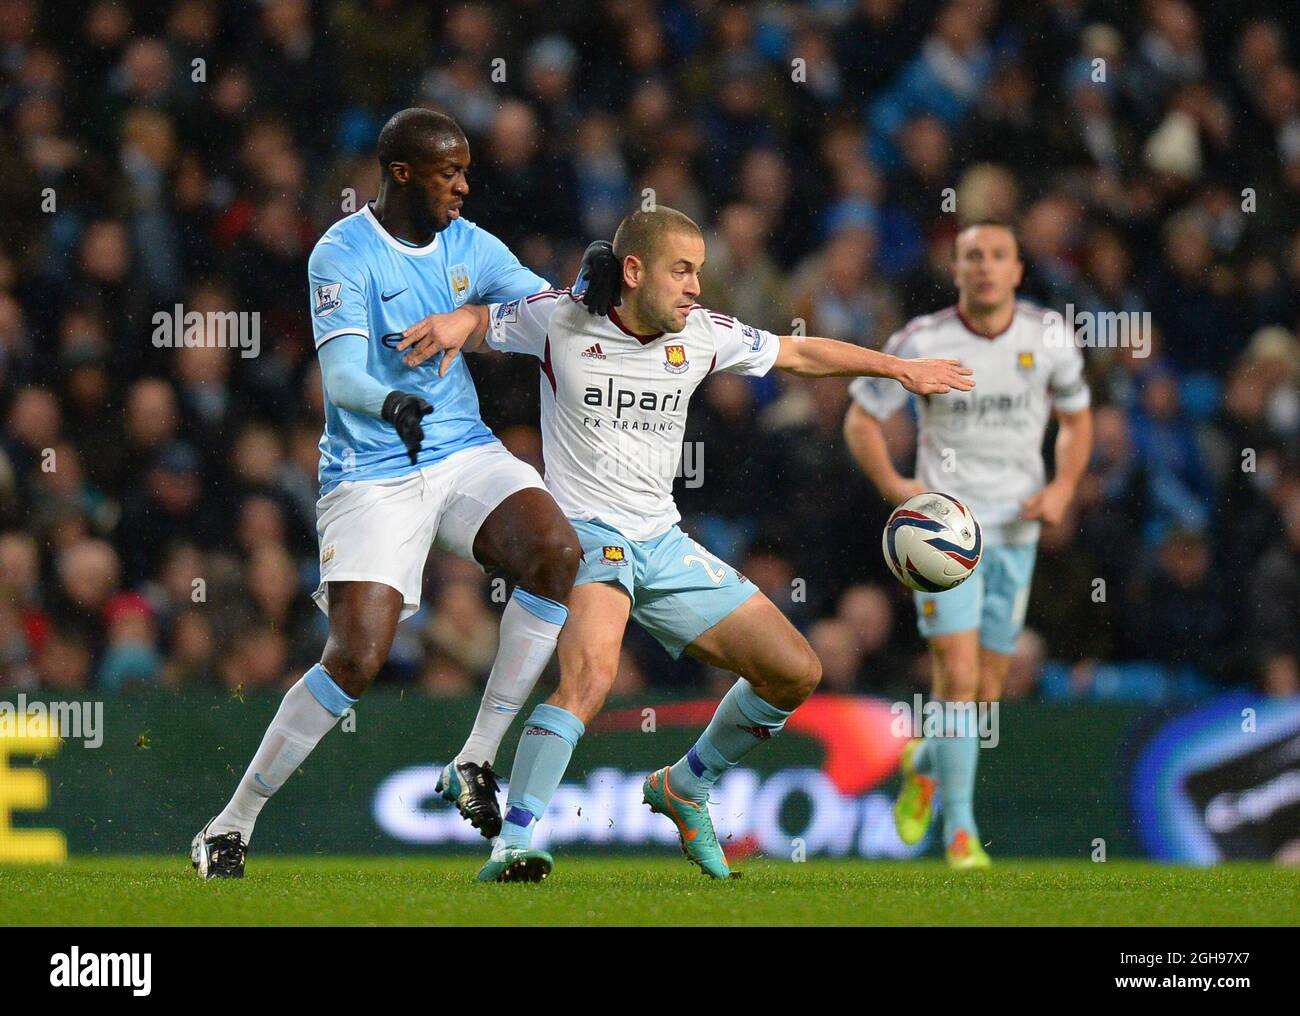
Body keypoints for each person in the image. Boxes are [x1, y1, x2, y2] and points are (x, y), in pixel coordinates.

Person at [424, 205, 973, 881]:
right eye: (682, 271)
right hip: (588, 534)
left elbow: (797, 351)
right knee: (590, 678)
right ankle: (514, 841)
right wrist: (461, 320)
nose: (696, 287)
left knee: (795, 671)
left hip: (662, 539)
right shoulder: (561, 320)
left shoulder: (705, 335)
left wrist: (898, 370)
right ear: (633, 271)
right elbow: (486, 322)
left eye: (700, 272)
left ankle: (685, 784)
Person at [190, 109, 618, 878]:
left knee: (557, 552)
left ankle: (477, 759)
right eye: (448, 171)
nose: (463, 183)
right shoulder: (343, 252)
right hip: (372, 473)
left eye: (465, 169)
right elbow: (345, 373)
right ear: (400, 174)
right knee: (356, 658)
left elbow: (548, 311)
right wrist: (392, 401)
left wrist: (588, 282)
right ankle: (231, 823)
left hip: (460, 453)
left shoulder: (471, 244)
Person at [843, 220, 1093, 868]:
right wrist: (896, 483)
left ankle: (923, 762)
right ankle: (960, 832)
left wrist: (1065, 485)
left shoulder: (1049, 336)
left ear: (1016, 270)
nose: (984, 266)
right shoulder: (922, 340)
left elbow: (1076, 419)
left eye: (998, 256)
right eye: (971, 256)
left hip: (1018, 528)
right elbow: (861, 417)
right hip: (944, 532)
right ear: (955, 270)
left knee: (987, 690)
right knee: (954, 675)